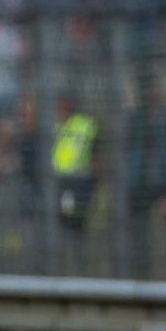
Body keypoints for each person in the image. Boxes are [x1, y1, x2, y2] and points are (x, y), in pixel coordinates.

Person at [125, 81, 166, 278]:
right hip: (139, 184)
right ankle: (141, 275)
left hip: (165, 183)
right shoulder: (134, 119)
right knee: (139, 234)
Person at [51, 94, 100, 233]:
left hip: (78, 181)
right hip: (57, 182)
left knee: (73, 222)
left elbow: (95, 156)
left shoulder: (85, 125)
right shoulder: (54, 124)